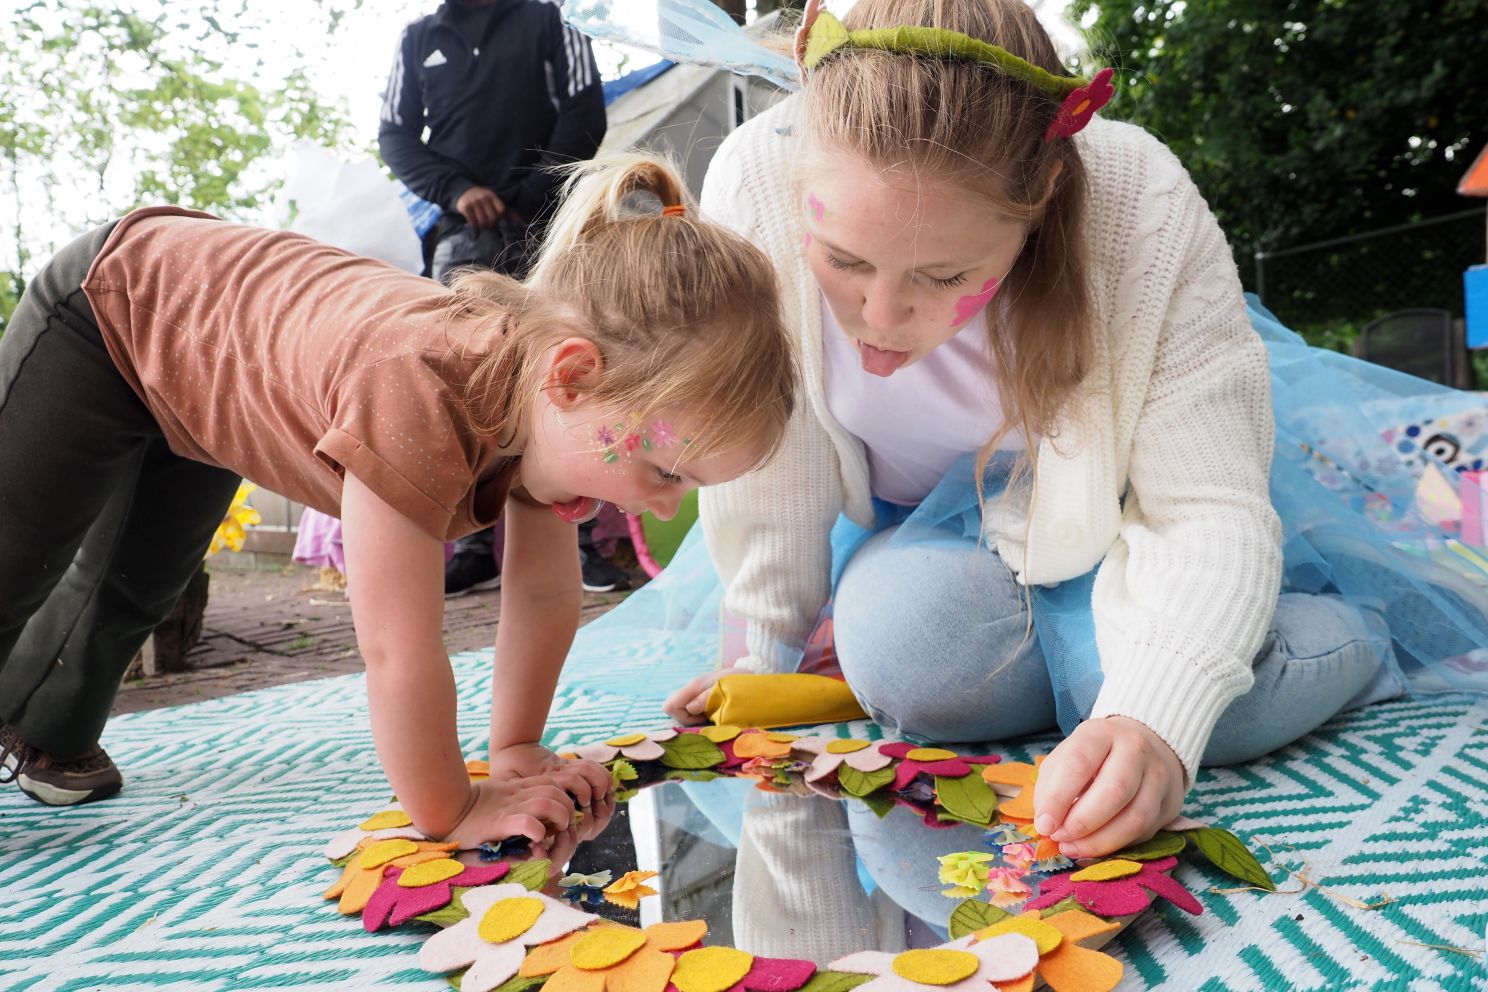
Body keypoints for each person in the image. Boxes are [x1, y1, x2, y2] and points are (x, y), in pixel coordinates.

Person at [653, 0, 1487, 861]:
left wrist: (1149, 717)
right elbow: (777, 457)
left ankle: (1361, 631)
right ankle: (1081, 669)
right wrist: (763, 658)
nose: (881, 316)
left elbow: (1202, 505)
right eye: (845, 261)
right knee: (908, 655)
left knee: (1216, 710)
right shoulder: (758, 178)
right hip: (927, 533)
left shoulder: (1141, 204)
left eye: (946, 276)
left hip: (1128, 513)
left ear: (1043, 196)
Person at [0, 153, 796, 863]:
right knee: (13, 561)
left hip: (198, 366)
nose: (664, 503)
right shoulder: (418, 394)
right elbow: (398, 649)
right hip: (116, 305)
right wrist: (452, 807)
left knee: (137, 587)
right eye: (666, 471)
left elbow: (544, 597)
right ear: (573, 377)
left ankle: (42, 733)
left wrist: (516, 749)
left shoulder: (553, 411)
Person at [379, 0, 625, 596]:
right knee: (457, 382)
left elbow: (584, 110)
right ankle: (472, 548)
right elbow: (394, 136)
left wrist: (526, 195)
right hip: (460, 235)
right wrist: (459, 190)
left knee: (570, 373)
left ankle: (581, 544)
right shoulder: (417, 38)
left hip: (549, 227)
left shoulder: (551, 20)